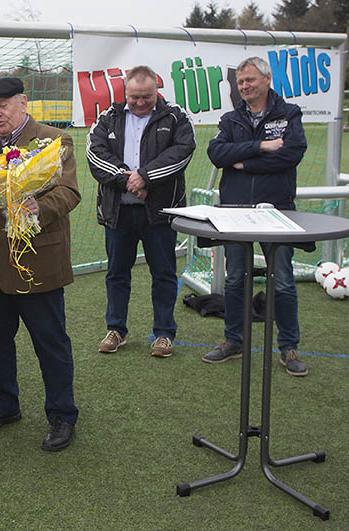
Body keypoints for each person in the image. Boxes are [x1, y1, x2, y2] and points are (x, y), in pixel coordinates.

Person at [0, 77, 81, 452]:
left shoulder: (54, 140)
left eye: (3, 105)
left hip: (36, 263)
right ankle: (4, 405)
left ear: (23, 102)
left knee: (50, 343)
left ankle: (62, 415)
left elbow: (70, 191)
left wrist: (35, 209)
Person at [202, 56, 308, 376]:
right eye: (241, 82)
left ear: (266, 80)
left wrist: (245, 163)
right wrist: (261, 146)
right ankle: (233, 340)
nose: (245, 86)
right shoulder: (231, 119)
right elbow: (216, 154)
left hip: (276, 212)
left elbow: (291, 154)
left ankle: (288, 347)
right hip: (234, 213)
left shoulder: (289, 114)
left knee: (283, 281)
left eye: (250, 80)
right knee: (235, 279)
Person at [86, 65, 196, 358]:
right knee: (117, 273)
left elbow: (181, 152)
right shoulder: (108, 117)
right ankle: (116, 330)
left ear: (156, 90)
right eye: (134, 96)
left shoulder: (176, 116)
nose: (139, 102)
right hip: (118, 211)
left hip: (160, 212)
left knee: (163, 273)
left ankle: (163, 334)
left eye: (146, 96)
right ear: (126, 91)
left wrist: (146, 176)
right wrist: (130, 180)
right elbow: (96, 155)